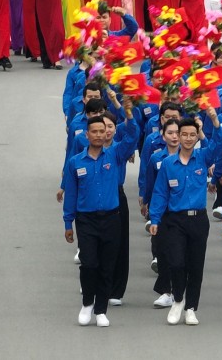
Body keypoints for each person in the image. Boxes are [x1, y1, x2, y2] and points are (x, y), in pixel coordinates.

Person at [63, 105, 139, 327]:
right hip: (86, 220)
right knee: (89, 263)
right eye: (94, 131)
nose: (98, 135)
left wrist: (129, 115)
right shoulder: (76, 162)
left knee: (107, 265)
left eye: (102, 131)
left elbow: (133, 136)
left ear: (107, 134)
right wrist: (68, 222)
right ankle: (87, 303)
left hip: (111, 218)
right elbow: (72, 194)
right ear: (87, 135)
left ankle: (101, 310)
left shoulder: (115, 154)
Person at [149, 115, 222, 326]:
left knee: (196, 265)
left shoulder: (202, 157)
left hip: (198, 220)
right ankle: (178, 299)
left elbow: (220, 144)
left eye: (193, 135)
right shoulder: (167, 163)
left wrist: (213, 123)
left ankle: (191, 308)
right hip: (174, 221)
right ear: (178, 136)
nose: (188, 138)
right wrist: (155, 218)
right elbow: (161, 192)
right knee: (176, 261)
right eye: (184, 134)